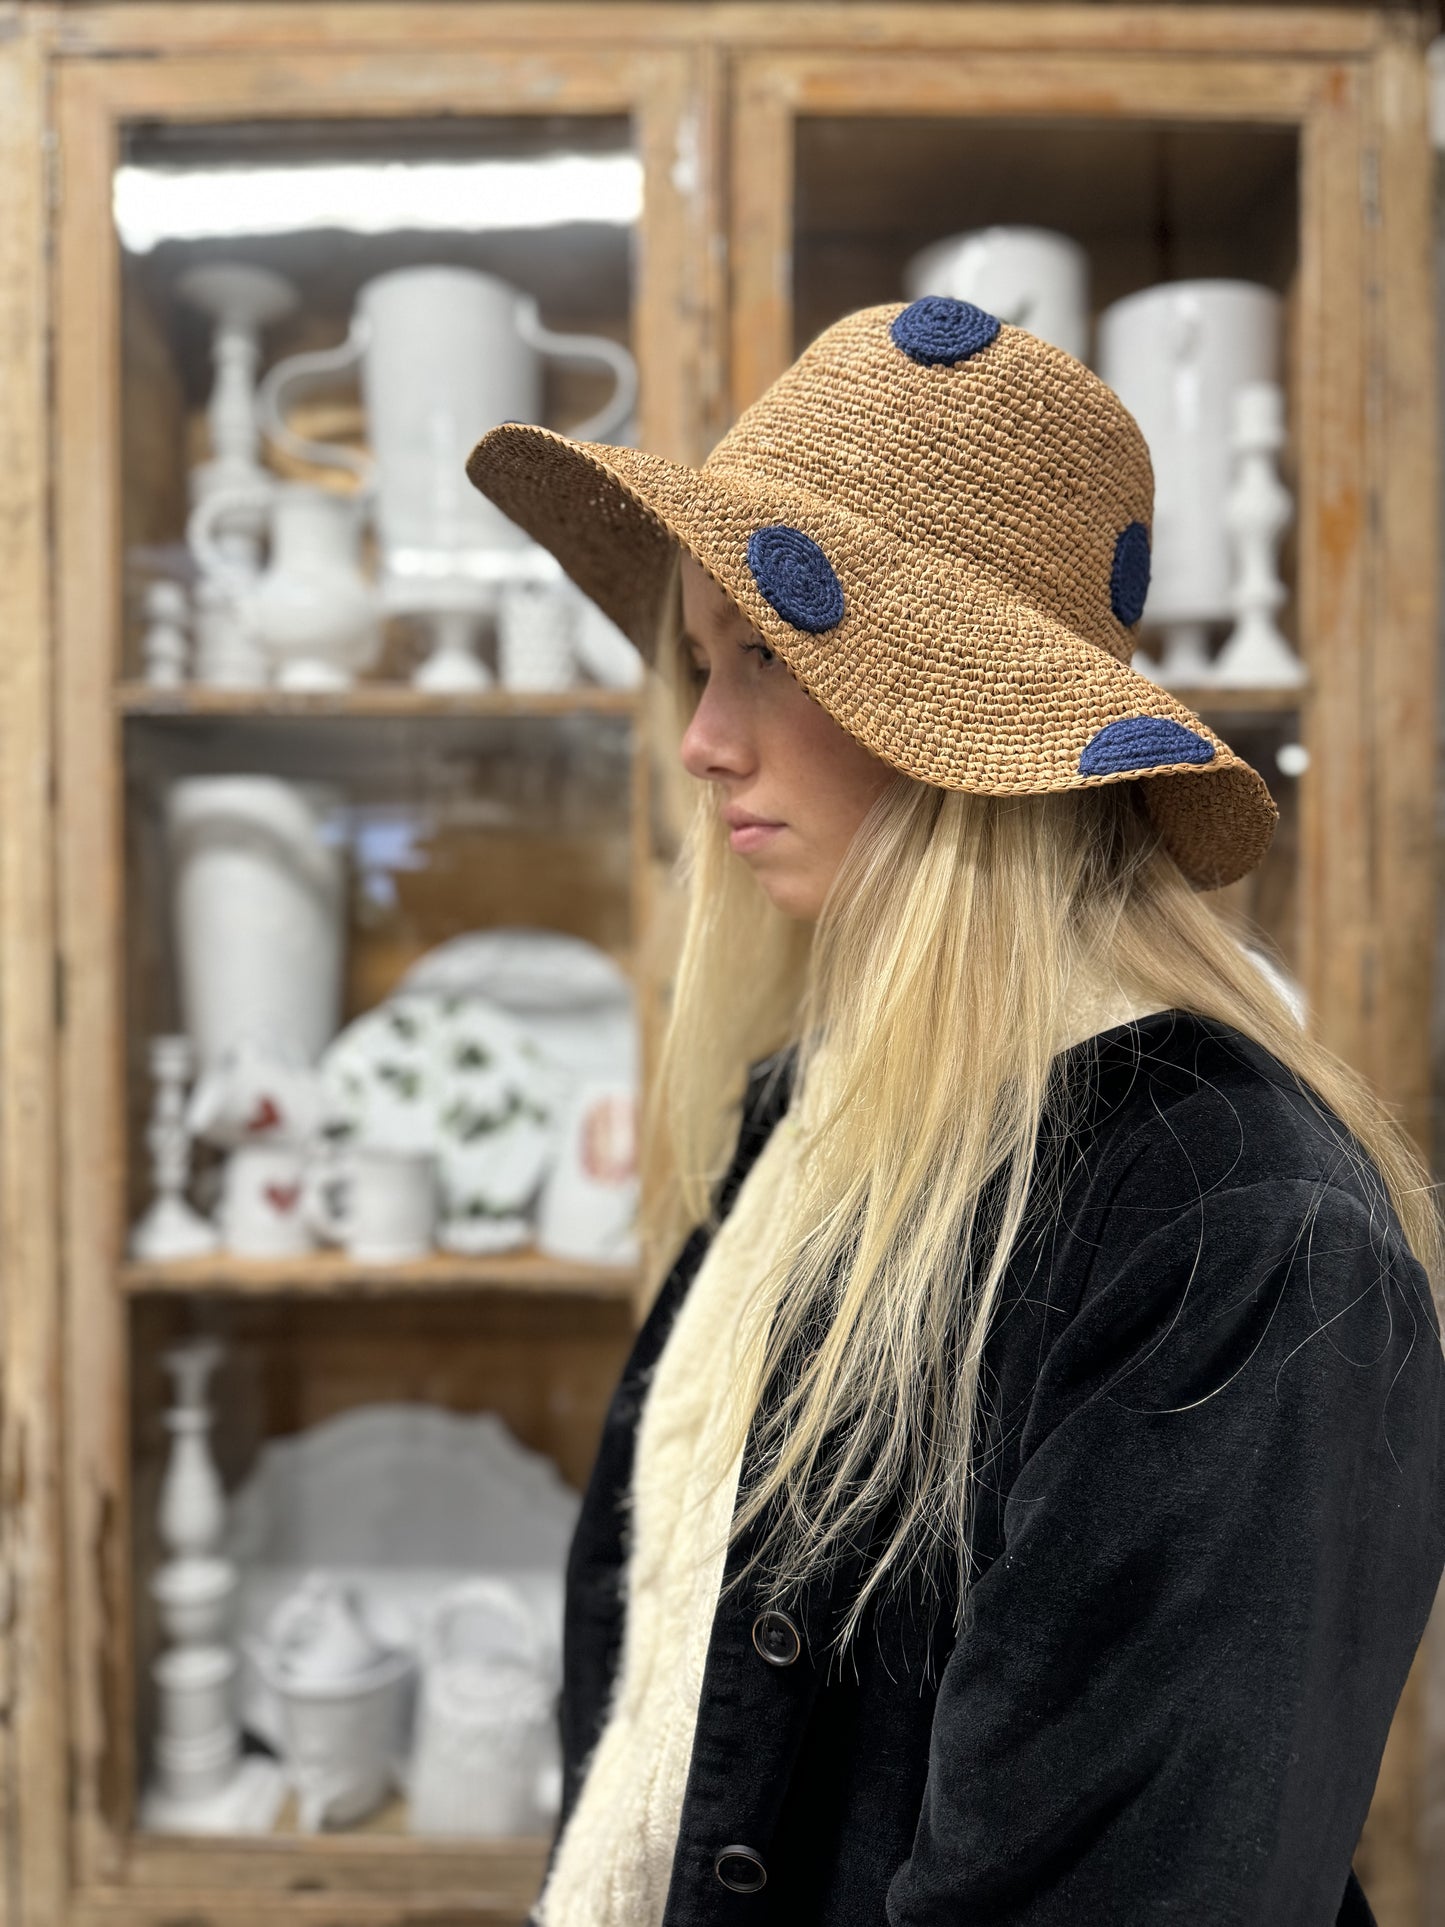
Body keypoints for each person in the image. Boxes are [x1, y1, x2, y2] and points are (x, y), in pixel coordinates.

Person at [465, 299, 1445, 1926]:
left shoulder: (1234, 1239)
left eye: (770, 655)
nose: (704, 745)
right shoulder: (827, 1105)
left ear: (953, 719)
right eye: (705, 665)